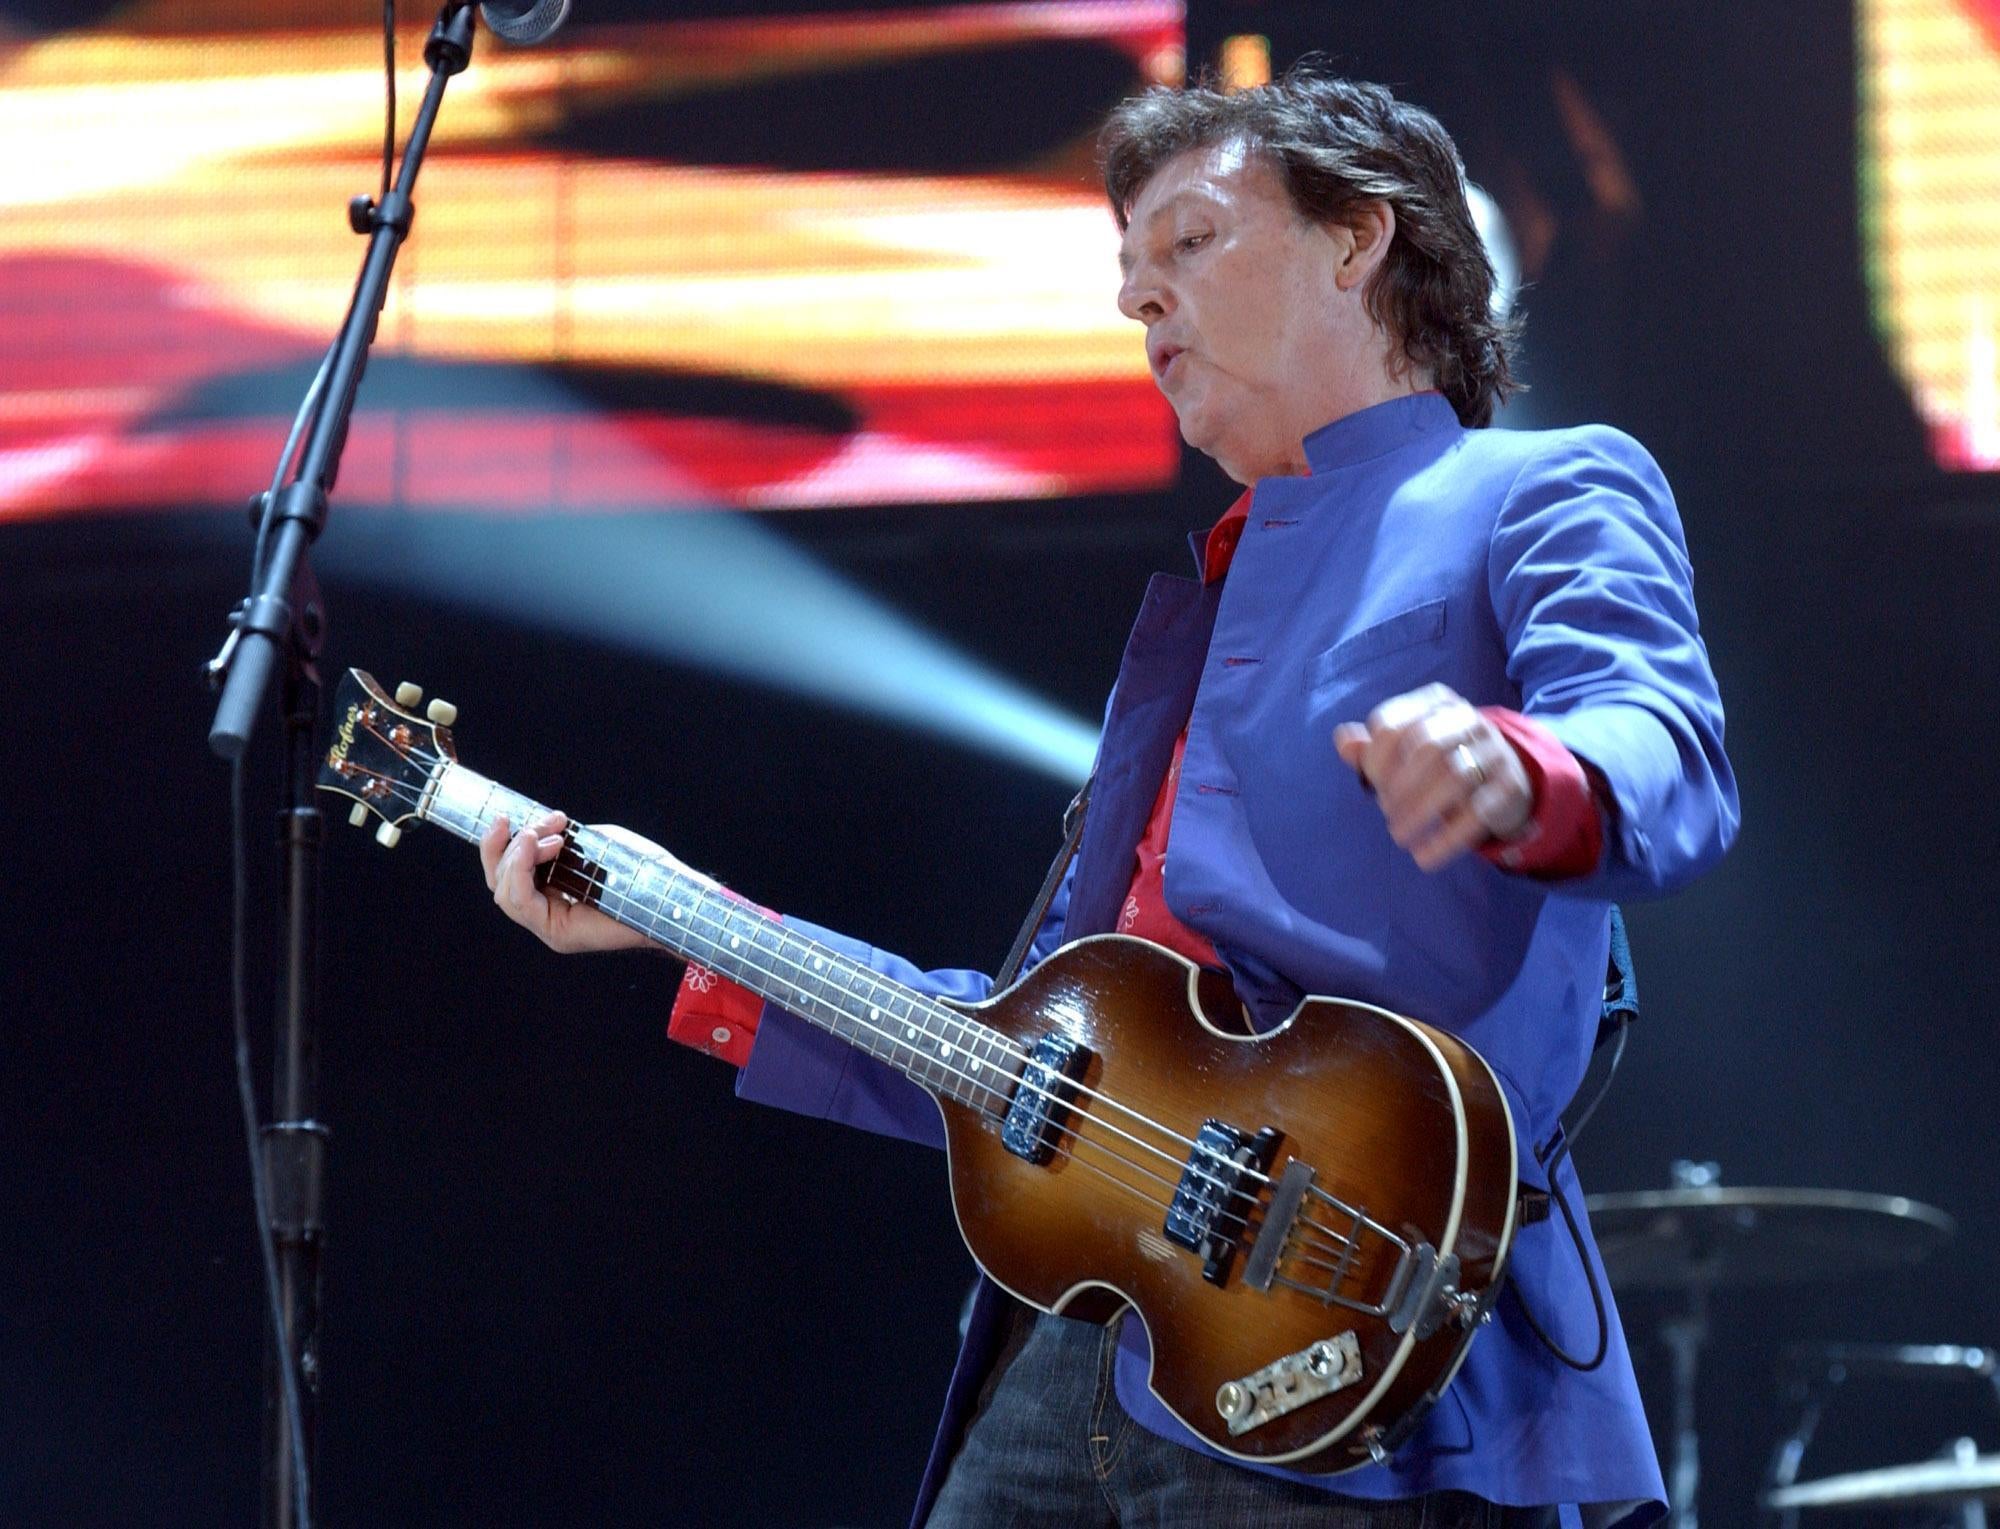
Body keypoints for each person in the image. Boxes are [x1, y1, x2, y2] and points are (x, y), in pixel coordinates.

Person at [479, 70, 1737, 1529]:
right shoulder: (1200, 604)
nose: (1145, 307)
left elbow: (1667, 745)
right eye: (1131, 282)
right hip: (1082, 1341)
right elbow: (1034, 1052)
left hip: (1345, 1350)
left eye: (1190, 246)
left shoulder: (1536, 489)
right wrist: (678, 920)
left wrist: (1524, 768)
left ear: (1357, 240)